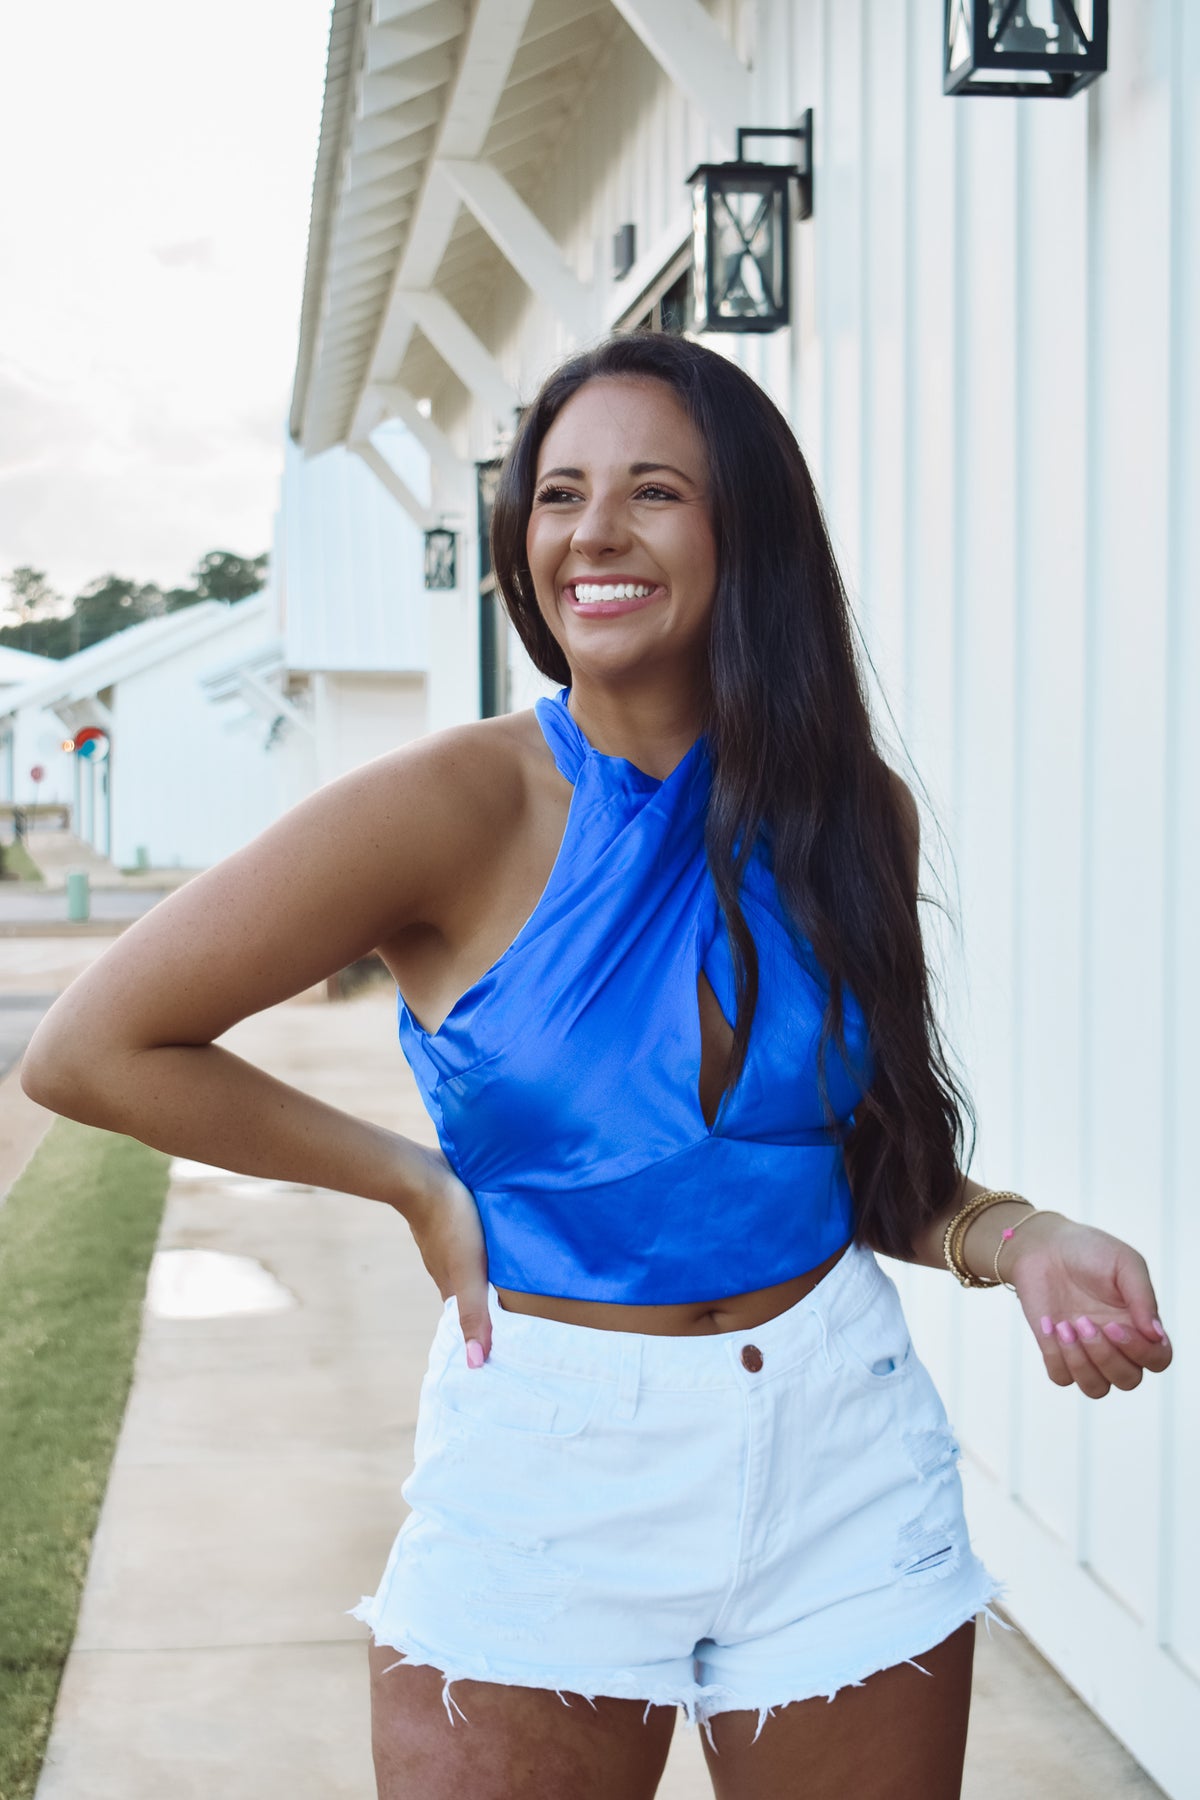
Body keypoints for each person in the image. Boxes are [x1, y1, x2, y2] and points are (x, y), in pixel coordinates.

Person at [22, 333, 1171, 1800]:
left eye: (654, 492)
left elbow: (869, 1166)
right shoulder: (453, 802)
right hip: (548, 1463)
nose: (594, 533)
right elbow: (93, 1046)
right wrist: (413, 1185)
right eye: (559, 494)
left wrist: (1023, 1237)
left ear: (743, 531)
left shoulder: (850, 814)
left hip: (837, 1443)